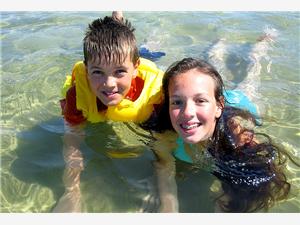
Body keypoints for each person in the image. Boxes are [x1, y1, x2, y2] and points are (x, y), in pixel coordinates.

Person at [144, 47, 299, 212]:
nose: (187, 112)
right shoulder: (164, 134)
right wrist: (169, 207)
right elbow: (164, 167)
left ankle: (258, 50)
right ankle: (213, 55)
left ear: (219, 107)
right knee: (210, 74)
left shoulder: (237, 136)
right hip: (212, 102)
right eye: (177, 102)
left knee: (249, 82)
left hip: (237, 104)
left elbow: (265, 170)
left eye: (200, 100)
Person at [53, 12, 164, 212]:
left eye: (119, 72)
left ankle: (119, 24)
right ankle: (117, 25)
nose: (109, 84)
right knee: (117, 55)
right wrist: (71, 191)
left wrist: (166, 193)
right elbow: (72, 138)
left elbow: (162, 144)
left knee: (146, 50)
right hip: (122, 59)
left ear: (135, 68)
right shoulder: (77, 94)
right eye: (97, 72)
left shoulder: (153, 93)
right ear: (86, 70)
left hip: (135, 65)